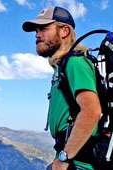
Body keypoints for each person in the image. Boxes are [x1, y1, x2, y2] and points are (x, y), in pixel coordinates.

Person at [22, 6, 101, 170]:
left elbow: (91, 111)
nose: (37, 34)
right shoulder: (63, 67)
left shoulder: (75, 63)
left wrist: (64, 158)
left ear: (64, 31)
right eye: (36, 30)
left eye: (43, 28)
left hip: (78, 163)